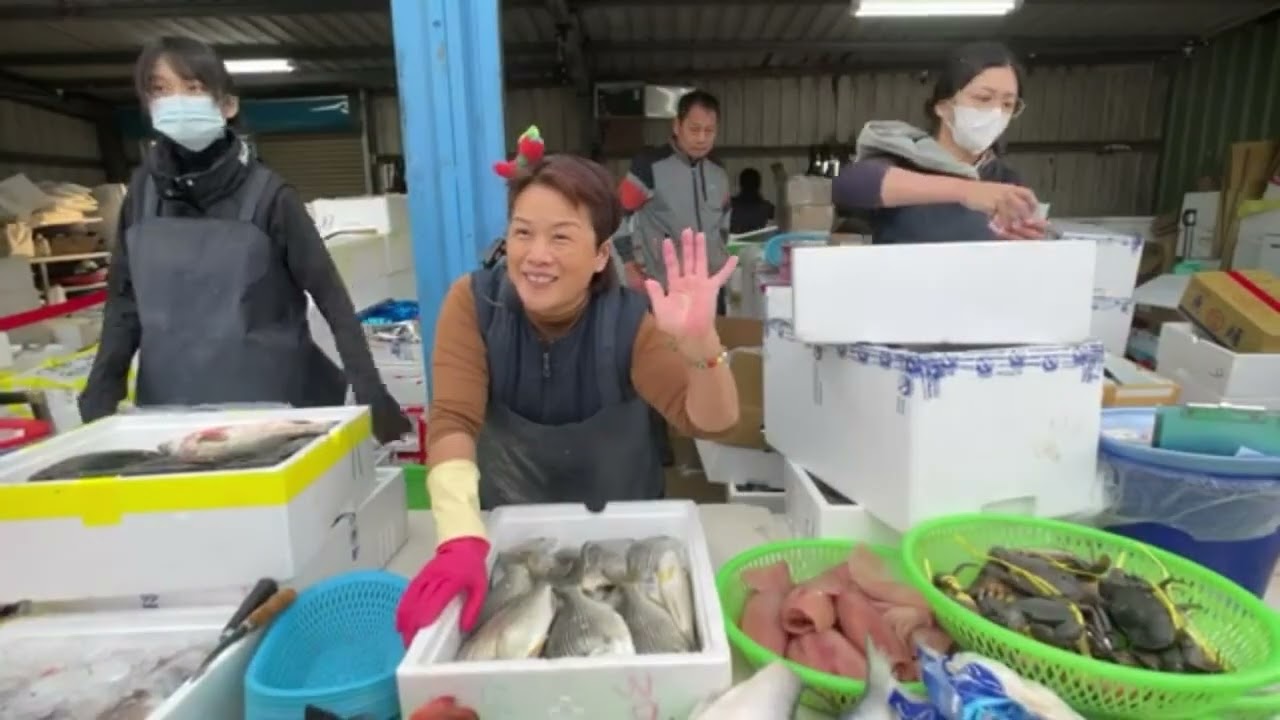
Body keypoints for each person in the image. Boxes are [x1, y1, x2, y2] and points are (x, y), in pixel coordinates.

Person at [394, 131, 741, 644]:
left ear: (602, 255)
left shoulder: (630, 320)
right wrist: (461, 535)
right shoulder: (472, 304)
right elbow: (453, 421)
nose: (536, 255)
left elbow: (710, 419)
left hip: (623, 550)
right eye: (522, 233)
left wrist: (701, 347)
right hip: (510, 543)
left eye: (560, 237)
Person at [78, 36, 410, 443]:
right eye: (161, 89)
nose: (176, 100)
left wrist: (369, 390)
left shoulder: (269, 196)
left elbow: (332, 300)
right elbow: (124, 304)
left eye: (194, 87)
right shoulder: (142, 195)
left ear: (227, 105)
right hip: (169, 414)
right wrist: (101, 392)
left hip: (271, 412)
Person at [833, 42, 1048, 244]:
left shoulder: (1006, 180)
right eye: (983, 98)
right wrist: (969, 191)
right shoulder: (905, 160)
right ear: (943, 107)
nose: (996, 112)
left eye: (1008, 104)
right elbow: (850, 185)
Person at [616, 89, 733, 315]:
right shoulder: (649, 166)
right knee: (666, 349)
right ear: (677, 126)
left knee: (709, 349)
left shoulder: (718, 171)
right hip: (664, 288)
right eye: (694, 129)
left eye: (709, 131)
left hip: (709, 287)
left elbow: (725, 220)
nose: (701, 138)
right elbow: (617, 214)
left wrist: (718, 255)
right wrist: (629, 265)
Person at [730, 167, 775, 234]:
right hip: (761, 243)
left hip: (734, 243)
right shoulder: (768, 208)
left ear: (741, 184)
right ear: (758, 185)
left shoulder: (730, 205)